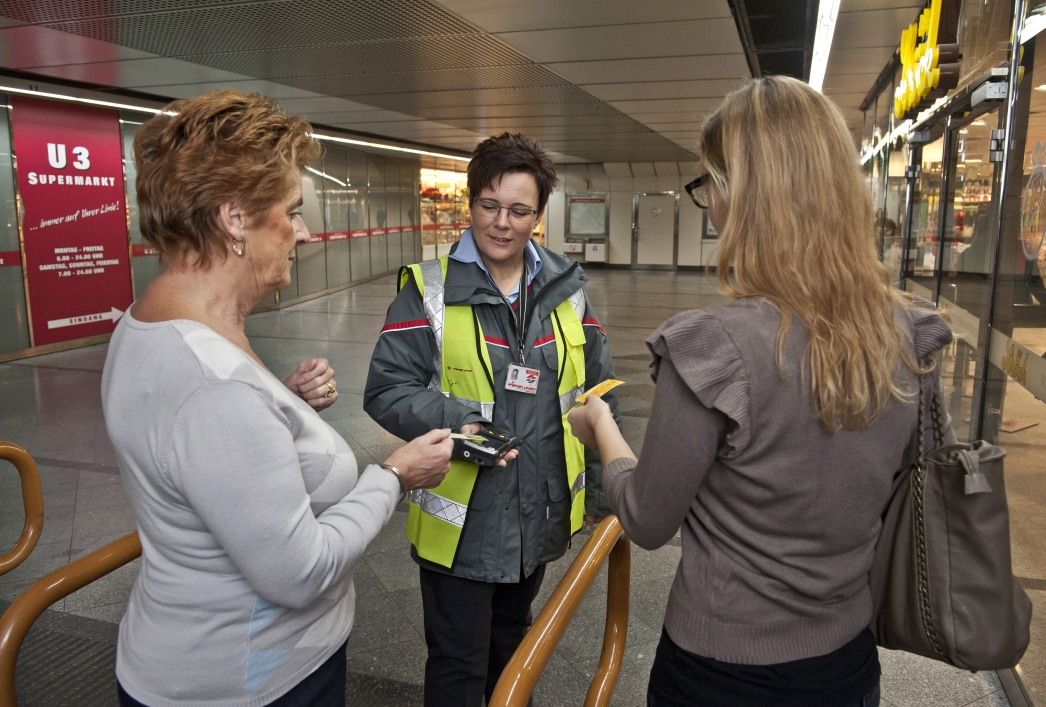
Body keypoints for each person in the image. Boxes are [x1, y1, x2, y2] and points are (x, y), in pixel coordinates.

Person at [567, 76, 954, 707]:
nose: (711, 205)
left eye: (709, 186)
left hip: (724, 669)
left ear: (739, 193)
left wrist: (601, 427)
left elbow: (647, 517)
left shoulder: (714, 347)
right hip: (847, 658)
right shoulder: (909, 335)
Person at [101, 89, 457, 707]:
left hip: (188, 655)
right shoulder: (214, 387)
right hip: (249, 680)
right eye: (291, 211)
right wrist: (395, 476)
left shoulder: (154, 323)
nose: (303, 231)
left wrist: (280, 409)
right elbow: (301, 571)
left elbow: (198, 447)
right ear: (234, 218)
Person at [363, 132, 620, 706]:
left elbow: (597, 393)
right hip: (462, 525)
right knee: (457, 664)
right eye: (489, 205)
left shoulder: (566, 291)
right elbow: (386, 387)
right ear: (471, 202)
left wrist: (601, 498)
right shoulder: (429, 291)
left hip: (536, 513)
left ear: (539, 215)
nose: (502, 223)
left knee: (513, 649)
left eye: (519, 210)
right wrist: (462, 421)